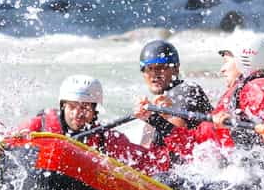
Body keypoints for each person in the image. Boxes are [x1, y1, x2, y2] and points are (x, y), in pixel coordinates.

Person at [19, 74, 168, 175]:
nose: (77, 114)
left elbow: (155, 163)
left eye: (84, 107)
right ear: (63, 106)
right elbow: (10, 142)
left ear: (95, 111)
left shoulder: (107, 139)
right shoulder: (40, 125)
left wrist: (156, 119)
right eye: (72, 107)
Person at [203, 36, 264, 149]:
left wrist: (235, 122)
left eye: (226, 61)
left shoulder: (259, 87)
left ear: (243, 59)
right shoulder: (245, 88)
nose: (222, 69)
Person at [133, 40, 213, 146]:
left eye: (160, 67)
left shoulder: (187, 91)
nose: (154, 74)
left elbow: (182, 142)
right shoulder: (156, 106)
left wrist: (153, 117)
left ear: (176, 68)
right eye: (148, 69)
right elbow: (146, 151)